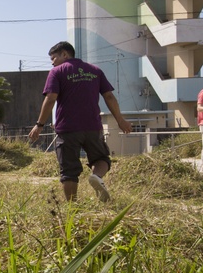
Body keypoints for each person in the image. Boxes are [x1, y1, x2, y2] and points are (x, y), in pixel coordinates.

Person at [28, 41, 132, 202]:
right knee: (102, 159)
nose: (52, 62)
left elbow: (50, 99)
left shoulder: (57, 72)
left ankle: (72, 209)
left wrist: (39, 125)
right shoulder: (95, 70)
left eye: (54, 57)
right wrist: (120, 120)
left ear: (65, 54)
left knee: (69, 170)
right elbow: (109, 96)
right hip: (93, 126)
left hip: (67, 129)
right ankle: (96, 176)